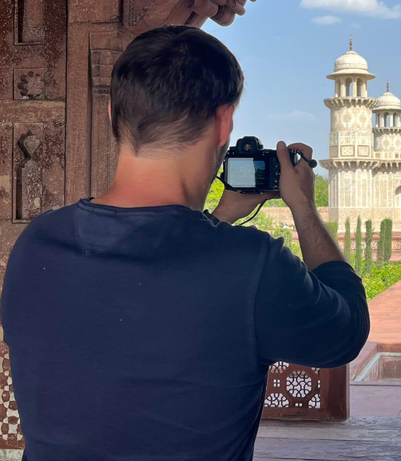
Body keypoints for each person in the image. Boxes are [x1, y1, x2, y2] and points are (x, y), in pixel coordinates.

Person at [1, 26, 370, 461]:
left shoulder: (37, 244)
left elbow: (148, 289)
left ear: (110, 113)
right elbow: (345, 333)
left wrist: (220, 216)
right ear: (224, 122)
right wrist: (304, 208)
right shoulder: (253, 267)